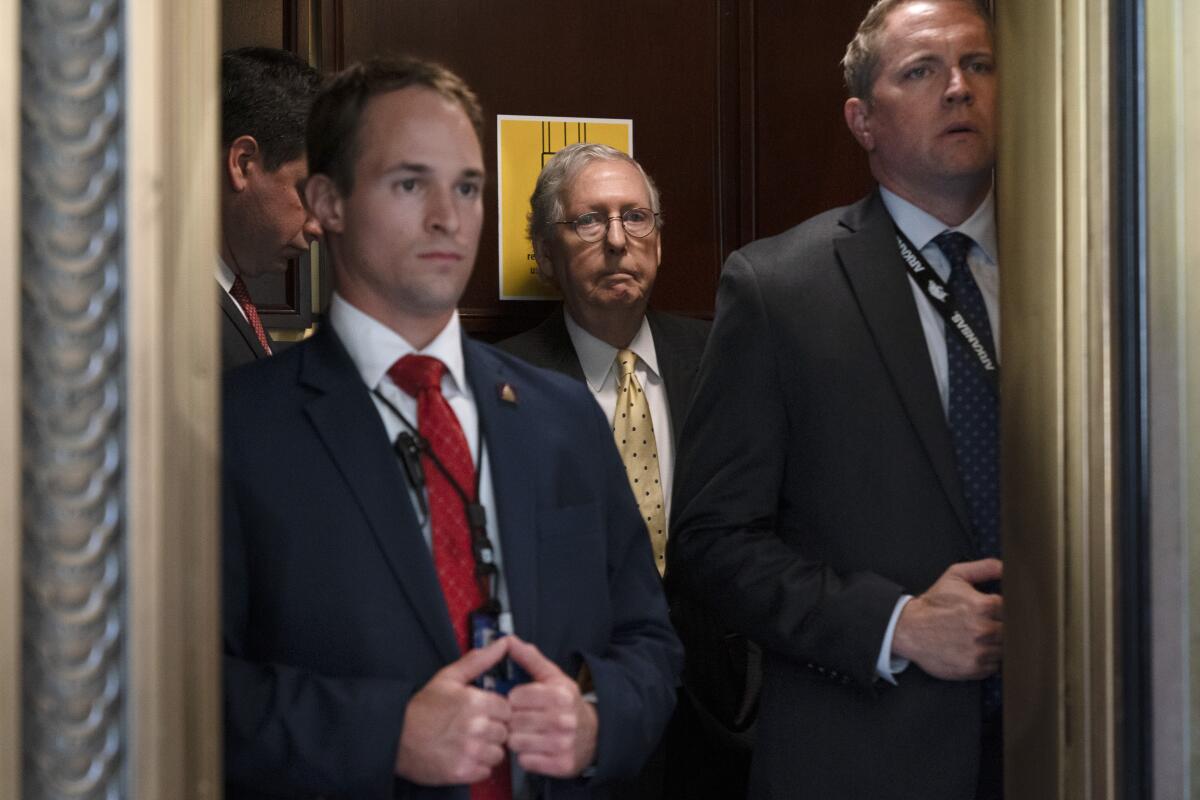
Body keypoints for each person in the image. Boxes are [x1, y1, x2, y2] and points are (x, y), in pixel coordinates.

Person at [221, 57, 682, 800]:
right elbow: (183, 689)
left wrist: (597, 720)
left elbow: (649, 643)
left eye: (467, 187)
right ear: (327, 201)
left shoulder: (564, 419)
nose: (448, 216)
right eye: (411, 183)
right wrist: (384, 734)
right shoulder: (237, 431)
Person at [669, 1, 1003, 797]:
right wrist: (896, 626)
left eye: (979, 65)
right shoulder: (780, 287)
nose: (958, 89)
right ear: (862, 119)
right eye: (921, 70)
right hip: (866, 752)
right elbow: (712, 541)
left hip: (1081, 742)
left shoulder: (1089, 275)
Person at [498, 144, 751, 800]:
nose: (617, 240)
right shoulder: (501, 385)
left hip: (720, 719)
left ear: (659, 244)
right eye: (589, 221)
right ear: (545, 255)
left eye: (635, 218)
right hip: (576, 710)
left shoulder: (725, 361)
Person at [219, 46, 323, 368]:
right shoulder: (173, 317)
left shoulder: (230, 296)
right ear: (243, 163)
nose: (318, 227)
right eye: (307, 194)